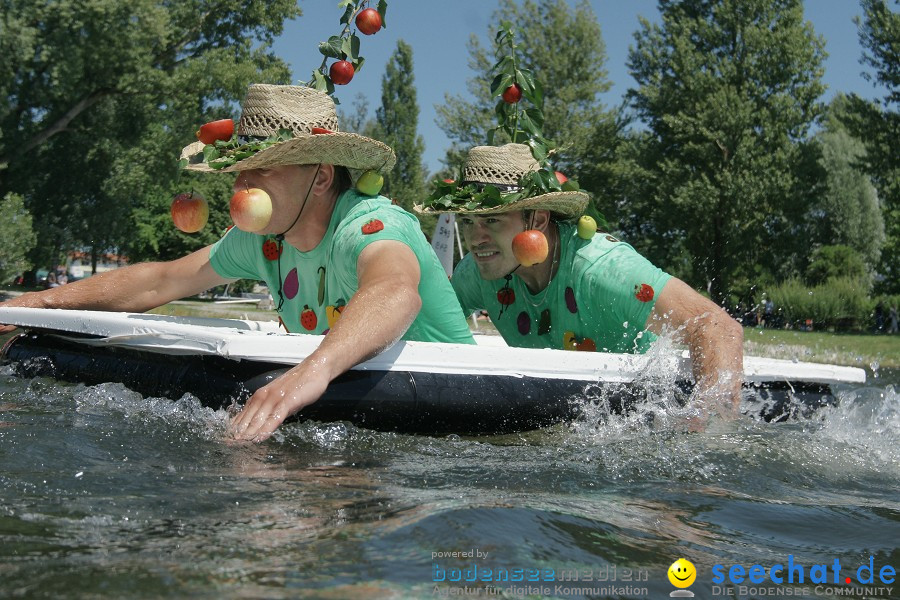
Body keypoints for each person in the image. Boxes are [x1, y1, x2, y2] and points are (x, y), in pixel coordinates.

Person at [0, 84, 475, 441]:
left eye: (262, 169)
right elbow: (160, 281)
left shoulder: (371, 225)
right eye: (239, 171)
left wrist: (314, 369)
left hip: (457, 410)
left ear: (322, 178)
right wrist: (34, 304)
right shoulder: (266, 240)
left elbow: (395, 292)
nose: (241, 186)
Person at [417, 143, 744, 411]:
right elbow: (427, 326)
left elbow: (716, 326)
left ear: (539, 218)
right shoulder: (477, 272)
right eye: (469, 222)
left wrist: (711, 441)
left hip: (638, 421)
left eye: (493, 220)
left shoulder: (602, 270)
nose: (476, 239)